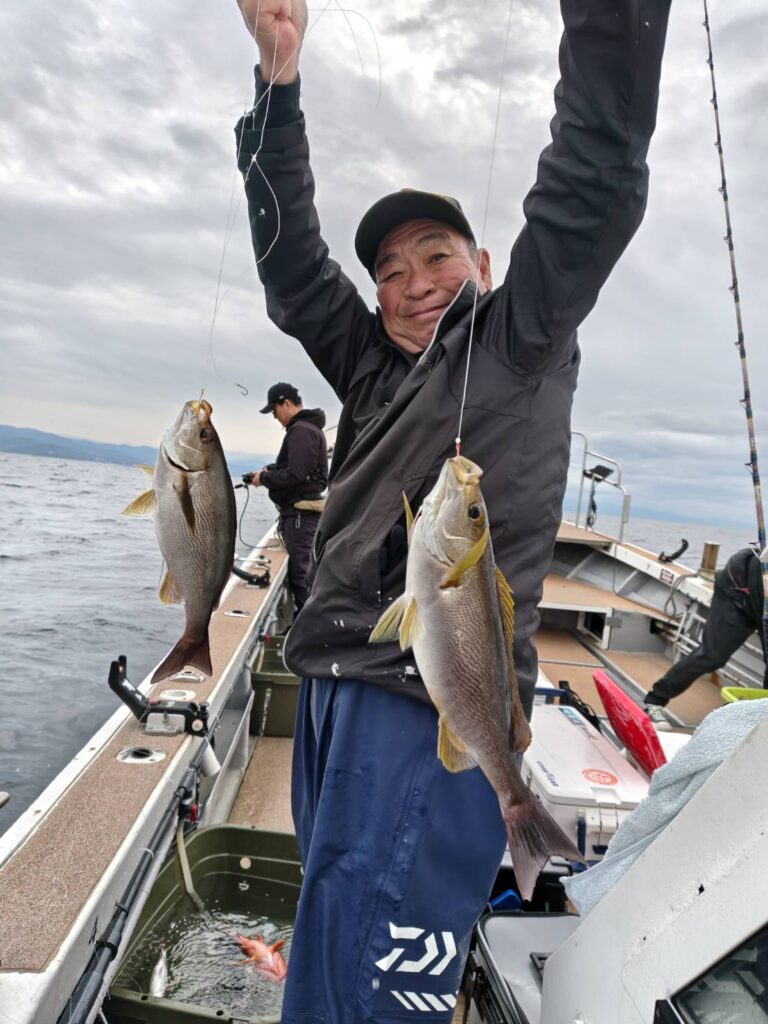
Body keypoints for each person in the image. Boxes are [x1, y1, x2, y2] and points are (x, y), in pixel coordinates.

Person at [232, 1, 672, 1019]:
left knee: (376, 987)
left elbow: (594, 177)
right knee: (334, 930)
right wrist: (277, 82)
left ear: (484, 267)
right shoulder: (370, 367)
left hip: (426, 708)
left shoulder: (522, 340)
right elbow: (293, 271)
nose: (412, 284)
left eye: (436, 256)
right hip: (336, 689)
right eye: (389, 271)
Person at [644, 546, 767, 712]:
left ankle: (763, 714)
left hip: (761, 599)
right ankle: (655, 700)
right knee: (712, 655)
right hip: (739, 590)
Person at [249, 381, 327, 611]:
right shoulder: (308, 428)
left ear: (287, 403)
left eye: (274, 411)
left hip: (301, 518)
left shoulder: (301, 430)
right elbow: (302, 469)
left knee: (302, 578)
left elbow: (296, 474)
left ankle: (309, 629)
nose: (275, 417)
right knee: (304, 575)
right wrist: (272, 471)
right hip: (301, 517)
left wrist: (264, 478)